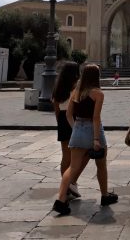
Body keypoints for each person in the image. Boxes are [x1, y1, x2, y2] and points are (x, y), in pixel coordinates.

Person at [53, 64, 117, 215]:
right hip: (93, 129)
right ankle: (104, 195)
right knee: (101, 165)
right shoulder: (98, 94)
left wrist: (76, 128)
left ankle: (60, 200)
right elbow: (96, 118)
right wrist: (95, 139)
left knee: (72, 167)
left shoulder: (76, 92)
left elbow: (68, 114)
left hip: (78, 128)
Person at [52, 61, 85, 200]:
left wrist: (60, 122)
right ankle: (70, 184)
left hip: (62, 121)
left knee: (66, 156)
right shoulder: (77, 86)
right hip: (74, 120)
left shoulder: (58, 87)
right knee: (80, 155)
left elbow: (56, 107)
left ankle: (66, 187)